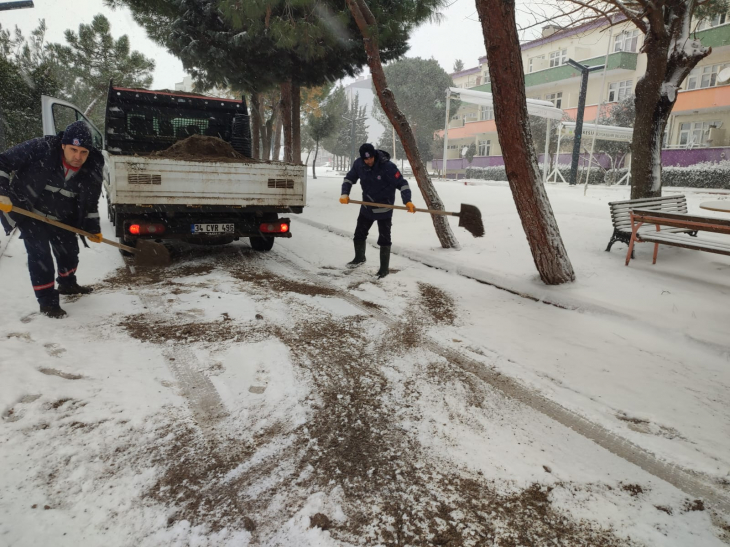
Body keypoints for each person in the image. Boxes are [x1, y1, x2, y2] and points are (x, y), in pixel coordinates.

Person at [0, 121, 104, 318]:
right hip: (30, 212)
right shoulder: (41, 148)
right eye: (73, 150)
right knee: (40, 256)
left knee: (69, 253)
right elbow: (2, 161)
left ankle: (67, 284)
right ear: (63, 145)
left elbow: (90, 201)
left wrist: (93, 228)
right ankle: (47, 302)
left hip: (63, 217)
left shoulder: (93, 164)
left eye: (83, 152)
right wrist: (2, 193)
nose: (78, 157)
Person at [340, 143, 415, 278]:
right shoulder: (359, 165)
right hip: (367, 207)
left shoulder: (388, 167)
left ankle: (384, 269)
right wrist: (344, 193)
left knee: (384, 239)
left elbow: (402, 184)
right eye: (366, 159)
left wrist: (407, 201)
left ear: (374, 155)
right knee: (359, 234)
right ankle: (359, 258)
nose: (369, 161)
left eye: (371, 158)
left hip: (384, 208)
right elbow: (349, 179)